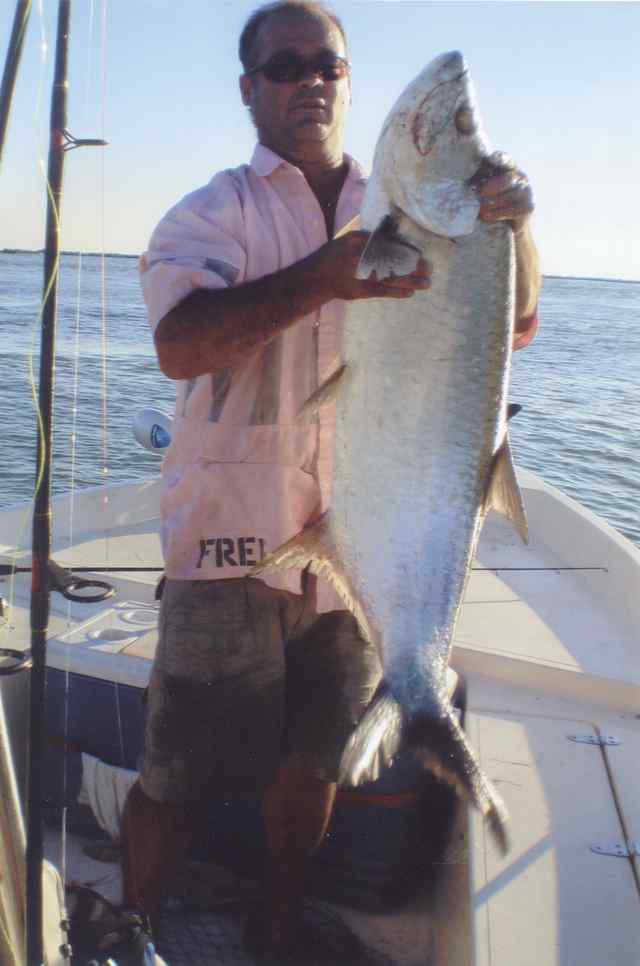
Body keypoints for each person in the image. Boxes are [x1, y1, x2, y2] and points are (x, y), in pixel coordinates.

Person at [122, 0, 540, 956]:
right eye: (285, 66)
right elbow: (183, 348)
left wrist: (518, 225)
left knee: (314, 764)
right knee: (177, 766)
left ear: (348, 82)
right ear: (249, 89)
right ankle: (135, 923)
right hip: (231, 529)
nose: (311, 80)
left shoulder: (404, 202)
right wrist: (327, 275)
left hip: (359, 543)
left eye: (329, 65)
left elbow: (509, 326)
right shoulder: (208, 212)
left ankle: (278, 925)